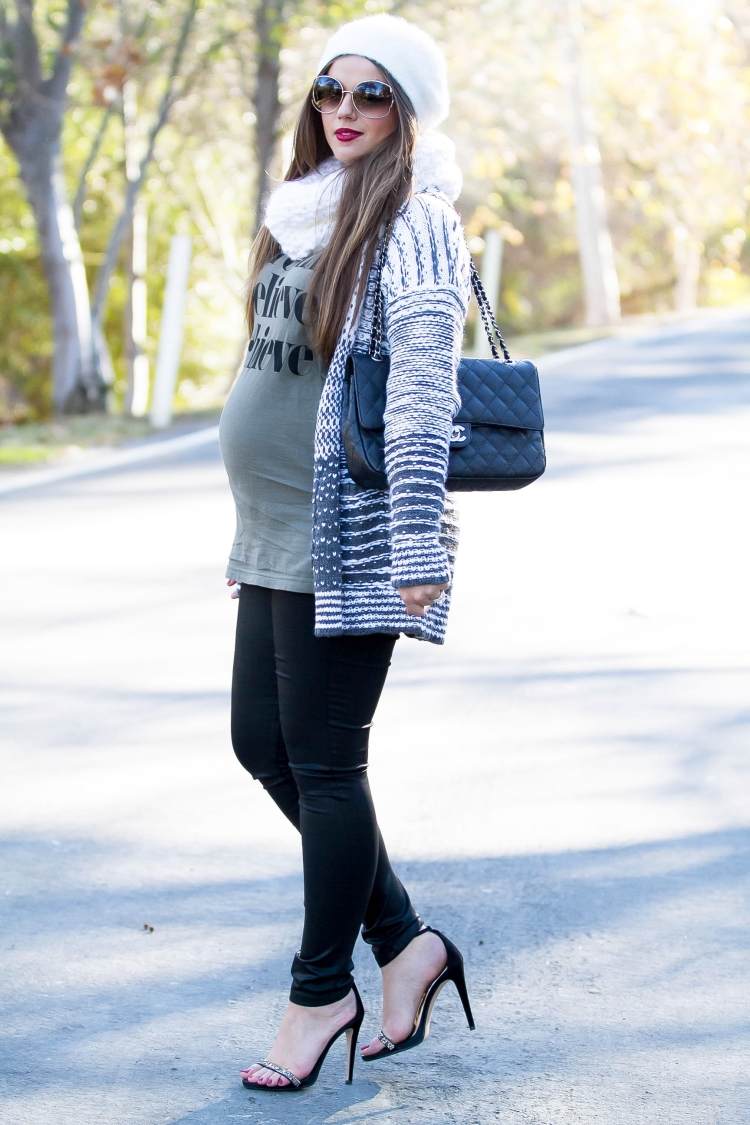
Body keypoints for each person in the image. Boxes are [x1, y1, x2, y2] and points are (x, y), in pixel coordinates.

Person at [218, 12, 475, 1093]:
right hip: (274, 527)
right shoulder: (299, 213)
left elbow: (422, 387)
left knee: (325, 766)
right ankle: (408, 940)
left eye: (373, 94)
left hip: (352, 530)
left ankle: (320, 991)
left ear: (407, 111)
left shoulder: (415, 220)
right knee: (261, 747)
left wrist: (418, 536)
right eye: (333, 90)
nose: (347, 110)